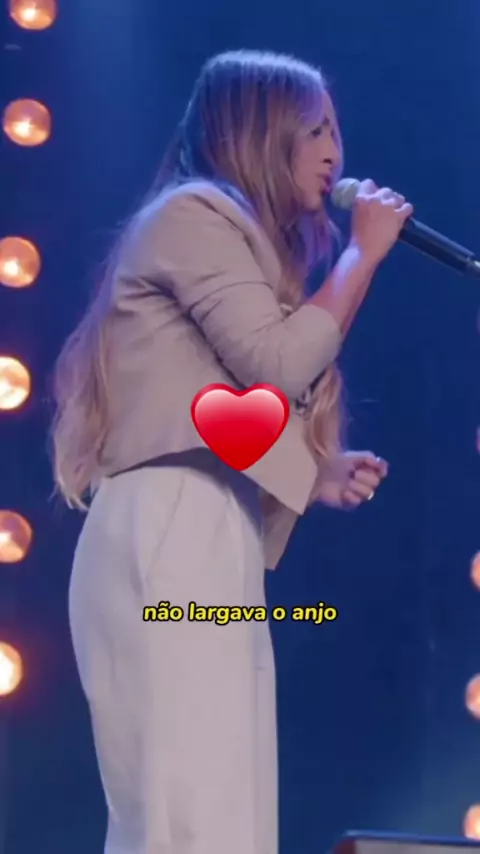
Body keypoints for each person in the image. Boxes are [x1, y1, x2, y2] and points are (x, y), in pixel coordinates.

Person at [50, 50, 413, 854]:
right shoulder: (192, 217)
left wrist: (308, 476)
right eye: (314, 131)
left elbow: (207, 405)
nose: (335, 153)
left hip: (211, 528)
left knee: (223, 810)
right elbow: (276, 366)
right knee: (187, 813)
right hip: (172, 529)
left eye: (336, 131)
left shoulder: (229, 240)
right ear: (258, 132)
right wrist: (361, 256)